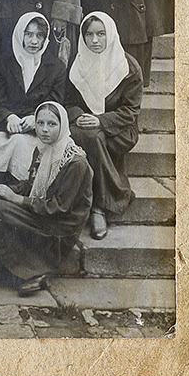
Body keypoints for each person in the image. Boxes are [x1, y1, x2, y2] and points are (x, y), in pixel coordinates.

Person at [0, 101, 93, 296]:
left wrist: (16, 200)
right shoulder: (42, 148)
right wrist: (7, 190)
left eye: (52, 124)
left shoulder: (75, 162)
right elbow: (29, 185)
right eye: (40, 123)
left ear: (63, 126)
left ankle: (34, 270)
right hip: (39, 210)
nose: (44, 130)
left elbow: (59, 208)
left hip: (58, 226)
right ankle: (7, 262)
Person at [66, 12, 142, 240]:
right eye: (89, 35)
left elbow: (130, 111)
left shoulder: (128, 66)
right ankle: (98, 204)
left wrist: (100, 120)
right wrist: (79, 116)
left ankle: (97, 207)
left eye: (101, 34)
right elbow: (67, 102)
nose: (95, 40)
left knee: (94, 137)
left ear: (111, 34)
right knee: (90, 136)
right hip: (85, 125)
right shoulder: (77, 64)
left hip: (119, 128)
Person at [0, 12, 67, 185]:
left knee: (23, 144)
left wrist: (36, 118)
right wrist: (9, 117)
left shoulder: (55, 67)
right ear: (20, 34)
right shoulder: (4, 62)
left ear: (45, 38)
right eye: (28, 34)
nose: (34, 41)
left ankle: (19, 191)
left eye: (39, 35)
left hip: (38, 127)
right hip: (8, 126)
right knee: (1, 143)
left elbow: (55, 103)